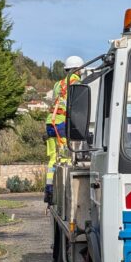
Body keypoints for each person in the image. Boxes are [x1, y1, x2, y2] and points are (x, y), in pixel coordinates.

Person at [44, 55, 84, 203]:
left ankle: (49, 190)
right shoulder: (76, 82)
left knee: (53, 158)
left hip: (50, 123)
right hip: (61, 124)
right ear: (77, 69)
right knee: (66, 157)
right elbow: (76, 106)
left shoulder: (57, 84)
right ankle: (63, 191)